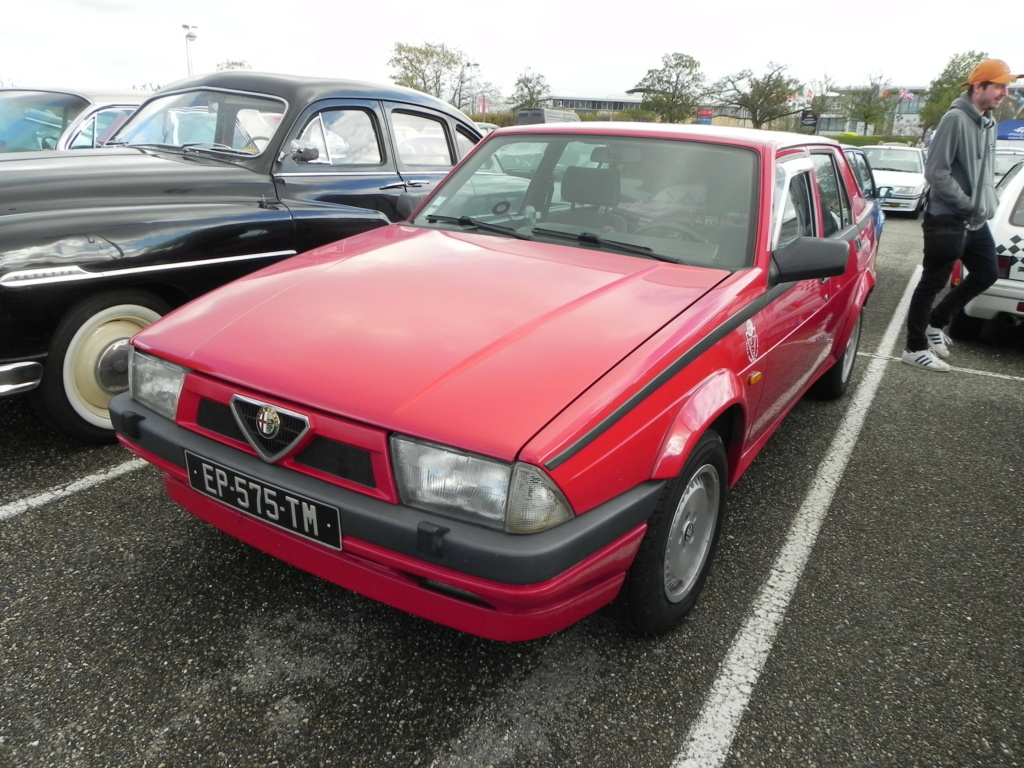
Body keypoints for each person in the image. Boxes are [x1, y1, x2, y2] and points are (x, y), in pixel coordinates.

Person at [901, 58, 1022, 371]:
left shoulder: (989, 122)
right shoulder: (955, 118)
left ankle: (936, 323)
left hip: (975, 219)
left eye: (1006, 87)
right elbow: (936, 172)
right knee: (933, 281)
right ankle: (914, 348)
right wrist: (969, 204)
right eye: (998, 86)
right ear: (978, 86)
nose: (1004, 93)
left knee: (987, 274)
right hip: (949, 217)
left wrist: (986, 204)